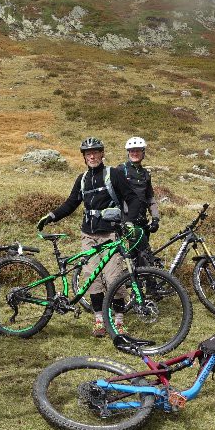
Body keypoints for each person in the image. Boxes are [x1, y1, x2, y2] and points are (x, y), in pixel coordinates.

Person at [36, 137, 143, 337]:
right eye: (88, 153)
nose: (92, 156)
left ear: (102, 154)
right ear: (84, 157)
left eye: (95, 152)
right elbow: (70, 204)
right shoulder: (82, 179)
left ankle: (118, 321)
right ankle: (99, 321)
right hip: (88, 236)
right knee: (92, 278)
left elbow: (133, 199)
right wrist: (51, 216)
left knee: (114, 279)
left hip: (111, 235)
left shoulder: (114, 174)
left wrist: (129, 221)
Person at [118, 136, 161, 266]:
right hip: (127, 220)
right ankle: (150, 283)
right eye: (132, 151)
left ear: (143, 153)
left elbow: (150, 198)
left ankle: (137, 280)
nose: (134, 153)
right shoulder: (121, 170)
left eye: (137, 150)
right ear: (128, 153)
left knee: (138, 256)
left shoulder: (146, 174)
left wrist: (155, 219)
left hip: (142, 220)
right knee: (144, 252)